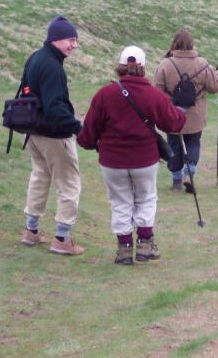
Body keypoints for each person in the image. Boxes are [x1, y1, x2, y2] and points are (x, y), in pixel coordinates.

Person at [77, 46, 186, 265]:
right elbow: (174, 122)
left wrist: (90, 143)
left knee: (120, 202)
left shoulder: (104, 94)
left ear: (120, 66)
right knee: (146, 198)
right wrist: (181, 112)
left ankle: (124, 249)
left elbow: (87, 134)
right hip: (144, 159)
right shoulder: (153, 95)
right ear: (143, 67)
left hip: (112, 161)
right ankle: (145, 243)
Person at [20, 15, 85, 255]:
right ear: (55, 39)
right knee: (69, 183)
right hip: (54, 135)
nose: (74, 45)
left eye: (75, 40)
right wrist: (78, 128)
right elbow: (55, 108)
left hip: (33, 131)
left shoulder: (36, 57)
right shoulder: (52, 67)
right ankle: (62, 239)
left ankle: (31, 231)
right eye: (70, 40)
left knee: (40, 177)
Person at [154, 29, 218, 192]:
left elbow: (157, 92)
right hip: (196, 116)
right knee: (193, 142)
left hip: (172, 114)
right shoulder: (202, 64)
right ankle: (190, 171)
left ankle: (177, 181)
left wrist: (170, 101)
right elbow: (214, 87)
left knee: (174, 145)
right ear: (191, 43)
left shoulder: (165, 64)